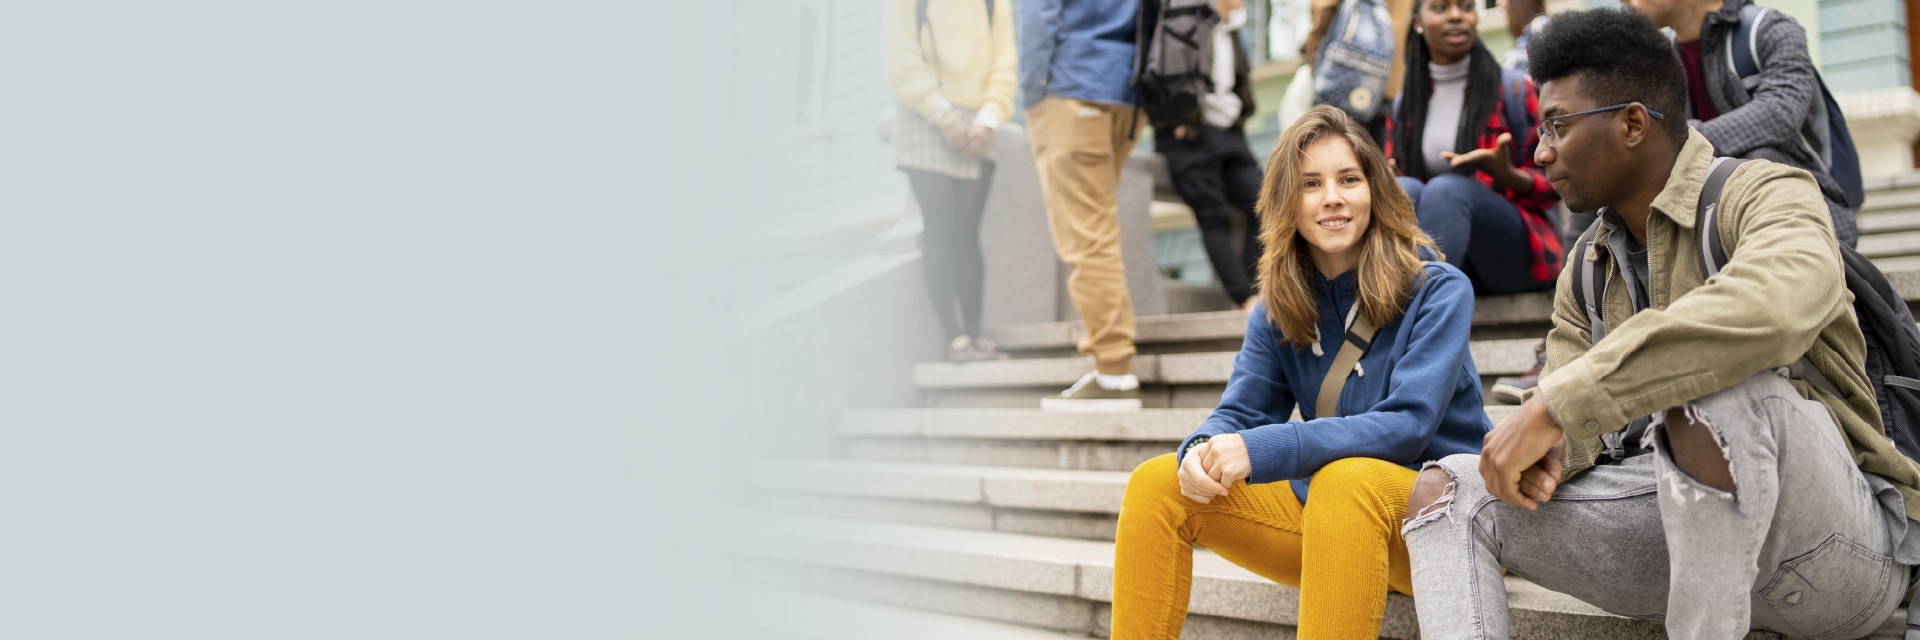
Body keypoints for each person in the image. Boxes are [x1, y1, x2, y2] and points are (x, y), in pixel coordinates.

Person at [1400, 10, 1920, 639]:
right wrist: (1551, 452)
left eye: (1558, 126)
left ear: (1633, 122)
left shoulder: (1769, 194)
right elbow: (1568, 420)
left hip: (1831, 554)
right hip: (1675, 538)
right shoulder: (1586, 266)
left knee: (1719, 390)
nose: (1540, 152)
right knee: (1447, 493)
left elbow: (1773, 309)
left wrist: (1559, 406)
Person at [1111, 105, 1491, 640]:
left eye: (1348, 180)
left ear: (1373, 191)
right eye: (1311, 183)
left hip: (1443, 522)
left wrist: (1267, 449)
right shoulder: (1277, 307)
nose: (1331, 197)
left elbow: (1408, 424)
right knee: (1157, 485)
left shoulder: (1437, 289)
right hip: (1336, 524)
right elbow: (1242, 410)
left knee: (1344, 478)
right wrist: (1201, 449)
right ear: (1289, 201)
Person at [1623, 0, 1858, 247]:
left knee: (1759, 159)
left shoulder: (1772, 30)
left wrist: (1678, 140)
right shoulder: (1658, 58)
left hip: (1805, 218)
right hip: (1707, 224)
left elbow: (1780, 113)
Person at [1019, 0, 1147, 409]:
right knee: (1097, 226)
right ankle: (1111, 365)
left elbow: (1038, 14)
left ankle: (1113, 370)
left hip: (1072, 83)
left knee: (1087, 236)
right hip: (1128, 89)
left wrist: (1032, 89)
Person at [1388, 0, 1563, 296]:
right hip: (1455, 259)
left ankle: (1418, 315)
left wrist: (1507, 174)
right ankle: (1404, 303)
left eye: (1466, 7)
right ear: (1418, 21)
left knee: (1447, 190)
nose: (1456, 16)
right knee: (1405, 189)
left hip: (1514, 256)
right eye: (1441, 8)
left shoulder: (1516, 89)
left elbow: (1559, 186)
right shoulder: (1405, 105)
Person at [884, 0, 1019, 362]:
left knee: (968, 232)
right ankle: (953, 337)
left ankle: (975, 336)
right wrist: (942, 114)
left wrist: (989, 118)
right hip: (923, 114)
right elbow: (900, 58)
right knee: (940, 228)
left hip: (979, 121)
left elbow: (1005, 62)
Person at [1154, 0, 1265, 310]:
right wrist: (1177, 120)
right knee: (1214, 217)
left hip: (1229, 134)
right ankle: (1245, 299)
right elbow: (1164, 70)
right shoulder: (1187, 17)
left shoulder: (1234, 30)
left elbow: (1238, 86)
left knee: (1265, 202)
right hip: (1189, 135)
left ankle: (1256, 293)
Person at [1304, 0, 1416, 147]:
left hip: (1345, 84)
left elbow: (1323, 9)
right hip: (1391, 84)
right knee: (1380, 162)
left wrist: (1317, 65)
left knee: (1338, 155)